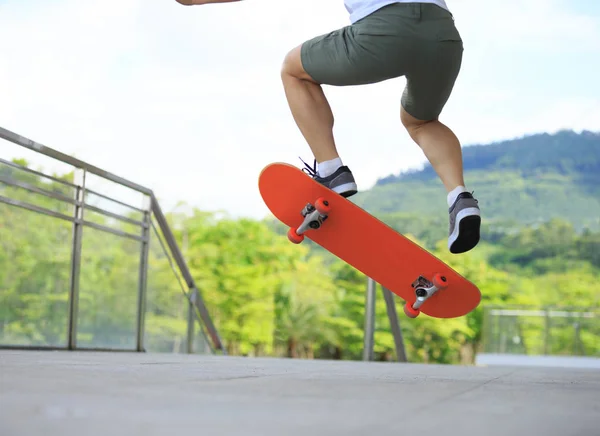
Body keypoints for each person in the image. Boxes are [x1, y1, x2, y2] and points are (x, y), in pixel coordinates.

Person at [174, 0, 481, 254]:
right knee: (422, 121)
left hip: (385, 30)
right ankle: (460, 198)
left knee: (294, 70)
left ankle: (332, 170)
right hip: (443, 36)